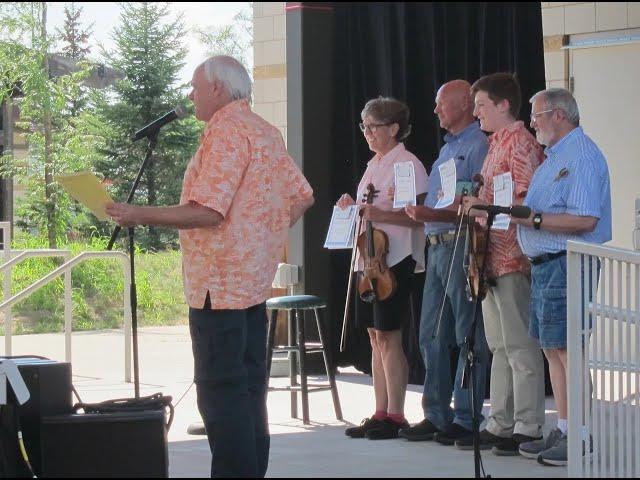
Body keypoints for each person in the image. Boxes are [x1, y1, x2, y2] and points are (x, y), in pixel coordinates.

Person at [106, 56, 314, 478]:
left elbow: (208, 211)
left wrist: (136, 213)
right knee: (249, 390)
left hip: (217, 286)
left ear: (218, 89)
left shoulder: (225, 131)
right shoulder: (265, 131)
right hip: (254, 286)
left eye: (195, 87)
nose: (190, 95)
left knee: (221, 395)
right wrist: (259, 238)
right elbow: (301, 196)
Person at [513, 88, 611, 466]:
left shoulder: (581, 156)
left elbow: (586, 219)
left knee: (571, 350)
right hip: (547, 264)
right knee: (553, 349)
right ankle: (566, 428)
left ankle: (582, 437)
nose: (533, 122)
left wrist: (534, 219)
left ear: (559, 115)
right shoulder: (553, 159)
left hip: (570, 261)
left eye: (537, 115)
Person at [461, 72, 546, 455]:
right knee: (498, 345)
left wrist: (482, 205)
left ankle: (528, 424)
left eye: (481, 105)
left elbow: (524, 201)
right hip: (488, 255)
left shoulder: (521, 144)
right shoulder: (495, 144)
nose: (476, 112)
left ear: (503, 104)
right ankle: (501, 420)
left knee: (520, 345)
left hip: (511, 254)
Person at [402, 79, 489, 446]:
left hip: (461, 242)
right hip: (436, 245)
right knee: (430, 333)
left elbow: (472, 199)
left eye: (442, 104)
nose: (436, 110)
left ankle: (467, 414)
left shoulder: (478, 144)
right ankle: (436, 414)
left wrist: (428, 211)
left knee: (467, 331)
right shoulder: (446, 149)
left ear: (464, 104)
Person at [339, 96, 428, 440]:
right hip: (370, 258)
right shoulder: (374, 163)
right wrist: (352, 205)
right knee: (375, 337)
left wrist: (379, 214)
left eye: (373, 126)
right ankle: (379, 410)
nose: (367, 132)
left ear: (393, 128)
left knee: (390, 336)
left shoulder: (406, 164)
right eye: (364, 126)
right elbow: (368, 206)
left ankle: (396, 414)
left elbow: (413, 215)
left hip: (395, 259)